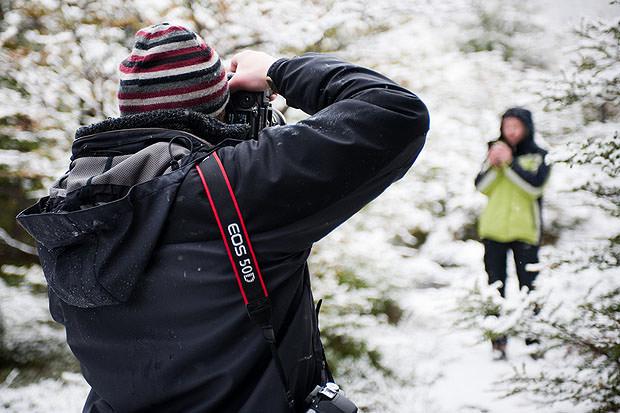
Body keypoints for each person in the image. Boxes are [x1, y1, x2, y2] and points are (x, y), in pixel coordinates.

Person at [16, 22, 429, 412]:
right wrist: (276, 70)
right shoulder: (235, 185)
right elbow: (395, 112)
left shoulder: (71, 204)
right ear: (217, 104)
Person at [475, 107, 550, 360]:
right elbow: (481, 187)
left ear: (527, 127)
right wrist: (494, 164)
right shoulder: (494, 151)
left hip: (525, 233)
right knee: (495, 286)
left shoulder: (540, 155)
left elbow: (534, 188)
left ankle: (533, 340)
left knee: (529, 287)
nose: (511, 131)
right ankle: (498, 342)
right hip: (494, 232)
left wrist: (509, 164)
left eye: (516, 126)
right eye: (507, 126)